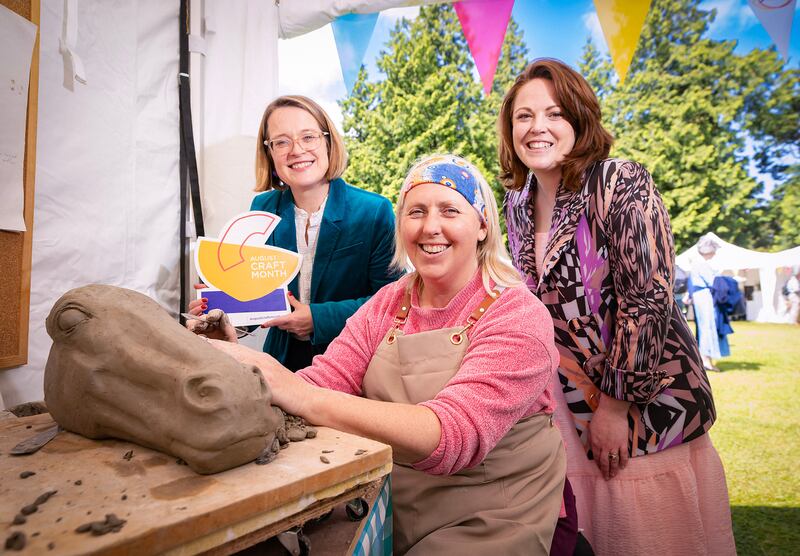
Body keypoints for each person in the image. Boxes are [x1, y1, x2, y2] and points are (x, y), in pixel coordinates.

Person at [207, 155, 567, 555]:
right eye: (416, 212)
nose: (431, 227)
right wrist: (233, 363)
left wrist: (298, 393)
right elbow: (324, 378)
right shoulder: (390, 302)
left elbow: (452, 436)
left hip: (491, 514)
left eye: (450, 210)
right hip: (392, 498)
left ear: (482, 225)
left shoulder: (518, 314)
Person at [499, 58, 736, 555]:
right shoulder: (516, 205)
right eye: (524, 116)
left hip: (642, 406)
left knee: (644, 534)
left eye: (555, 113)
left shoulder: (618, 182)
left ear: (580, 121)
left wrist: (615, 405)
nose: (537, 127)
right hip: (563, 407)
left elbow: (647, 296)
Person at [188, 95, 400, 370]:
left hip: (353, 367)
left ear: (327, 141)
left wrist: (317, 318)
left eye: (308, 137)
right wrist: (224, 307)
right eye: (281, 141)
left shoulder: (374, 211)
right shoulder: (262, 208)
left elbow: (394, 301)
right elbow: (259, 293)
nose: (296, 150)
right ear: (270, 153)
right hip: (280, 367)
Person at [688, 234, 725, 370]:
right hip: (703, 296)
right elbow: (712, 281)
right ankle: (705, 360)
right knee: (706, 327)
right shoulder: (701, 263)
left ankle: (705, 359)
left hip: (701, 296)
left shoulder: (697, 262)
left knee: (705, 326)